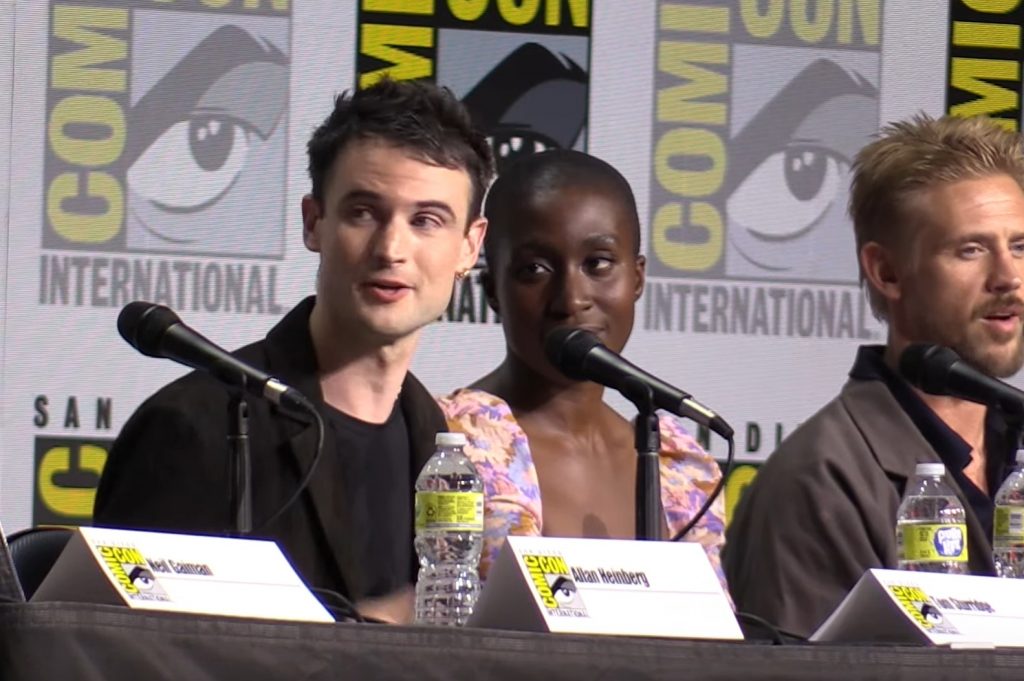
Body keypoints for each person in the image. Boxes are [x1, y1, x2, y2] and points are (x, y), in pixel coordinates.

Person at [93, 78, 493, 623]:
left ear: (469, 246)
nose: (391, 249)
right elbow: (123, 652)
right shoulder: (194, 426)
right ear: (314, 222)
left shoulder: (439, 439)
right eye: (363, 213)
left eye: (426, 220)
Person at [723, 113, 1024, 637]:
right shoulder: (818, 481)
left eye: (1019, 246)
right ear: (886, 272)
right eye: (970, 250)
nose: (1008, 277)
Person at [437, 149, 727, 588]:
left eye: (598, 264)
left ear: (637, 278)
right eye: (535, 270)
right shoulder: (451, 440)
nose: (571, 299)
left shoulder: (679, 465)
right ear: (493, 288)